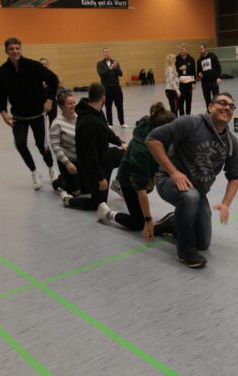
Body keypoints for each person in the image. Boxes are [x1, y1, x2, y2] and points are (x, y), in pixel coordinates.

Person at [146, 92, 238, 268]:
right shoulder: (191, 123)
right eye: (222, 103)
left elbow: (234, 176)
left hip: (198, 192)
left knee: (203, 243)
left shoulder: (231, 143)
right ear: (210, 107)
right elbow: (153, 140)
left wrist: (225, 204)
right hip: (168, 181)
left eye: (231, 106)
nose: (227, 107)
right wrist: (174, 172)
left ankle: (173, 222)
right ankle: (185, 251)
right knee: (190, 196)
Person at [100, 102, 177, 238]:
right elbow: (141, 189)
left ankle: (119, 188)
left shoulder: (151, 124)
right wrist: (148, 220)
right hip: (129, 180)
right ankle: (107, 213)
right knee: (138, 223)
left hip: (142, 171)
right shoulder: (141, 150)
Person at [0, 37, 59, 191]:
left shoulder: (34, 66)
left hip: (37, 115)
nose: (15, 51)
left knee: (42, 146)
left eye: (17, 48)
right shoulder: (2, 71)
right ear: (6, 51)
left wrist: (49, 100)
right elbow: (0, 94)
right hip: (18, 117)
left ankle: (51, 168)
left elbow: (53, 79)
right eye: (11, 49)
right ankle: (34, 172)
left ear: (21, 49)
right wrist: (3, 113)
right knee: (20, 143)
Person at [71, 83, 128, 217]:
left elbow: (106, 130)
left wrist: (120, 142)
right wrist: (100, 178)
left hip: (103, 155)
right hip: (92, 166)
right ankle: (69, 200)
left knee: (129, 155)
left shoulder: (97, 111)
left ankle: (118, 183)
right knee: (98, 204)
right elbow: (90, 155)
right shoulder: (88, 122)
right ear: (104, 97)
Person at [96, 48, 129, 128]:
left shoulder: (115, 62)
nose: (107, 53)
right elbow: (101, 74)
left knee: (119, 105)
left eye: (108, 52)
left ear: (110, 53)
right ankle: (110, 123)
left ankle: (122, 123)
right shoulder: (100, 64)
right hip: (106, 88)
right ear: (103, 53)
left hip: (116, 87)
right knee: (108, 106)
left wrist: (116, 68)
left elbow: (121, 74)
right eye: (105, 52)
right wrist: (110, 68)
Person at [197, 43, 222, 107]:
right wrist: (199, 74)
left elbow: (218, 67)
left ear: (205, 48)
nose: (200, 51)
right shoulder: (199, 60)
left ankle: (217, 111)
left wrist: (219, 77)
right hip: (205, 83)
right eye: (199, 49)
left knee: (216, 99)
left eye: (201, 49)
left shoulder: (213, 56)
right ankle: (209, 112)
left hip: (214, 81)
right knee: (207, 100)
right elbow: (198, 72)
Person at [175, 44, 197, 115]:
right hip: (180, 84)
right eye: (181, 50)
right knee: (180, 103)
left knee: (188, 102)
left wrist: (194, 83)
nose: (182, 51)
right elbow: (174, 71)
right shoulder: (176, 59)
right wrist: (179, 68)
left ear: (186, 50)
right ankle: (182, 118)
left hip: (189, 84)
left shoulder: (191, 59)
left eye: (184, 50)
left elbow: (194, 71)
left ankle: (188, 117)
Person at [39, 57, 59, 125]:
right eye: (42, 64)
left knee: (53, 121)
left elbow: (57, 86)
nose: (44, 65)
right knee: (40, 122)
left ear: (48, 65)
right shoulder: (36, 76)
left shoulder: (52, 76)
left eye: (45, 64)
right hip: (40, 102)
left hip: (52, 101)